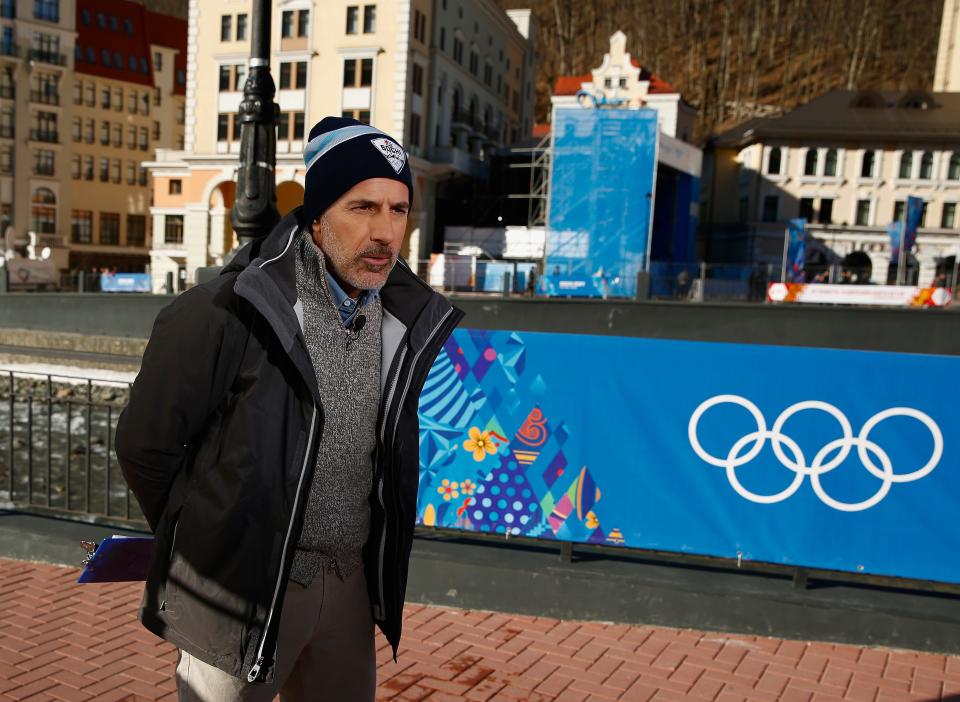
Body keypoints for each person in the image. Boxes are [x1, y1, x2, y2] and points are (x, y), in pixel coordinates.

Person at [115, 116, 463, 701]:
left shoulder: (402, 316)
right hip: (243, 590)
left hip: (347, 587)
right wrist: (212, 540)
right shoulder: (226, 309)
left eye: (397, 210)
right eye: (362, 208)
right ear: (318, 211)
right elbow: (143, 447)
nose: (384, 231)